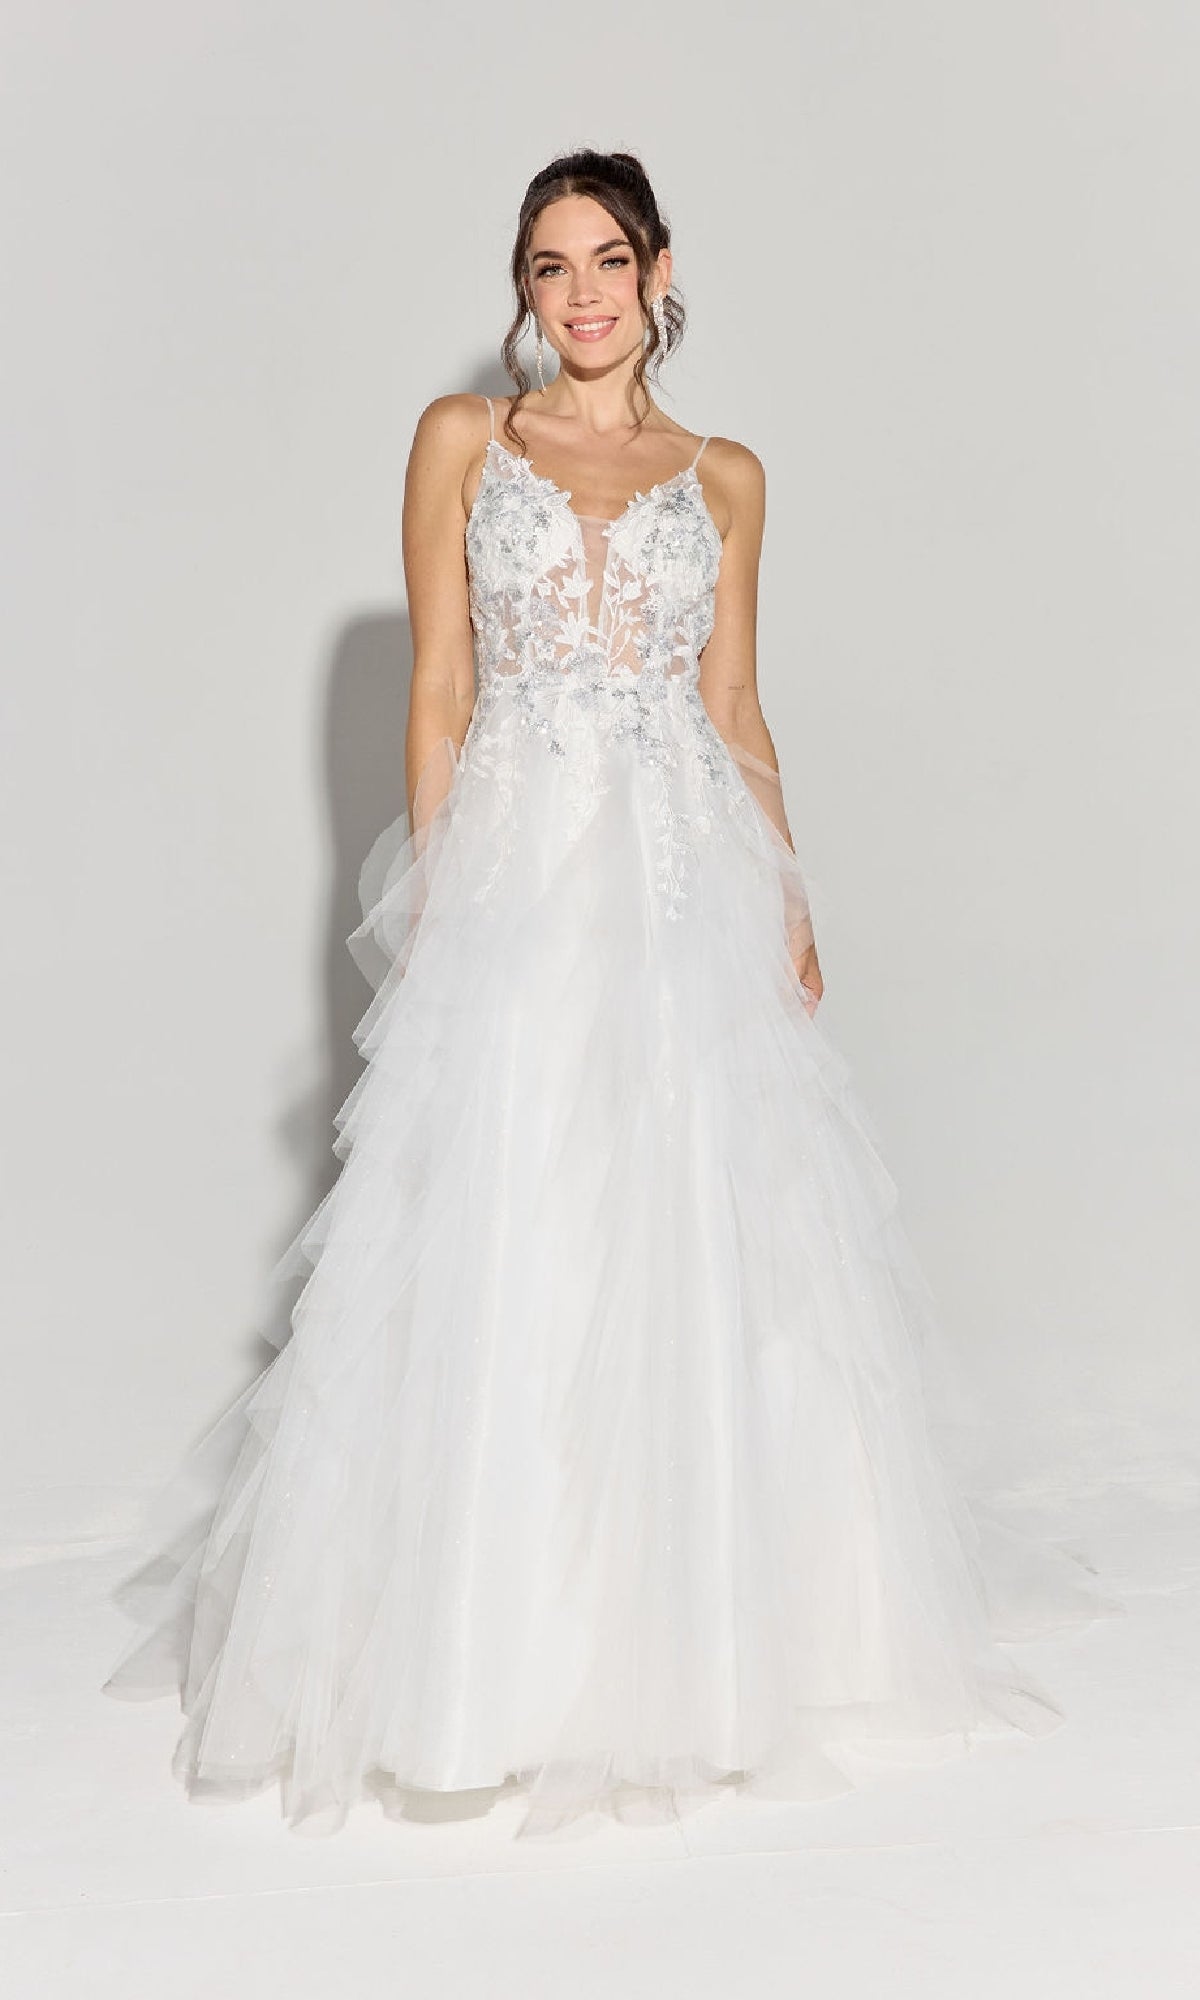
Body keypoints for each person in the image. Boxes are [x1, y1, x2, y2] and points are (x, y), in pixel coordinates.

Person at [103, 148, 1117, 1838]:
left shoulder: (726, 476)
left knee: (686, 1221)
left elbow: (737, 702)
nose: (580, 293)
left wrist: (791, 891)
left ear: (659, 270)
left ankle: (703, 1655)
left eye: (607, 260)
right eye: (548, 265)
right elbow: (439, 684)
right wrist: (439, 886)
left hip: (680, 874)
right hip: (518, 865)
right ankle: (481, 1662)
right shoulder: (461, 438)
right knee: (508, 1214)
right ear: (524, 287)